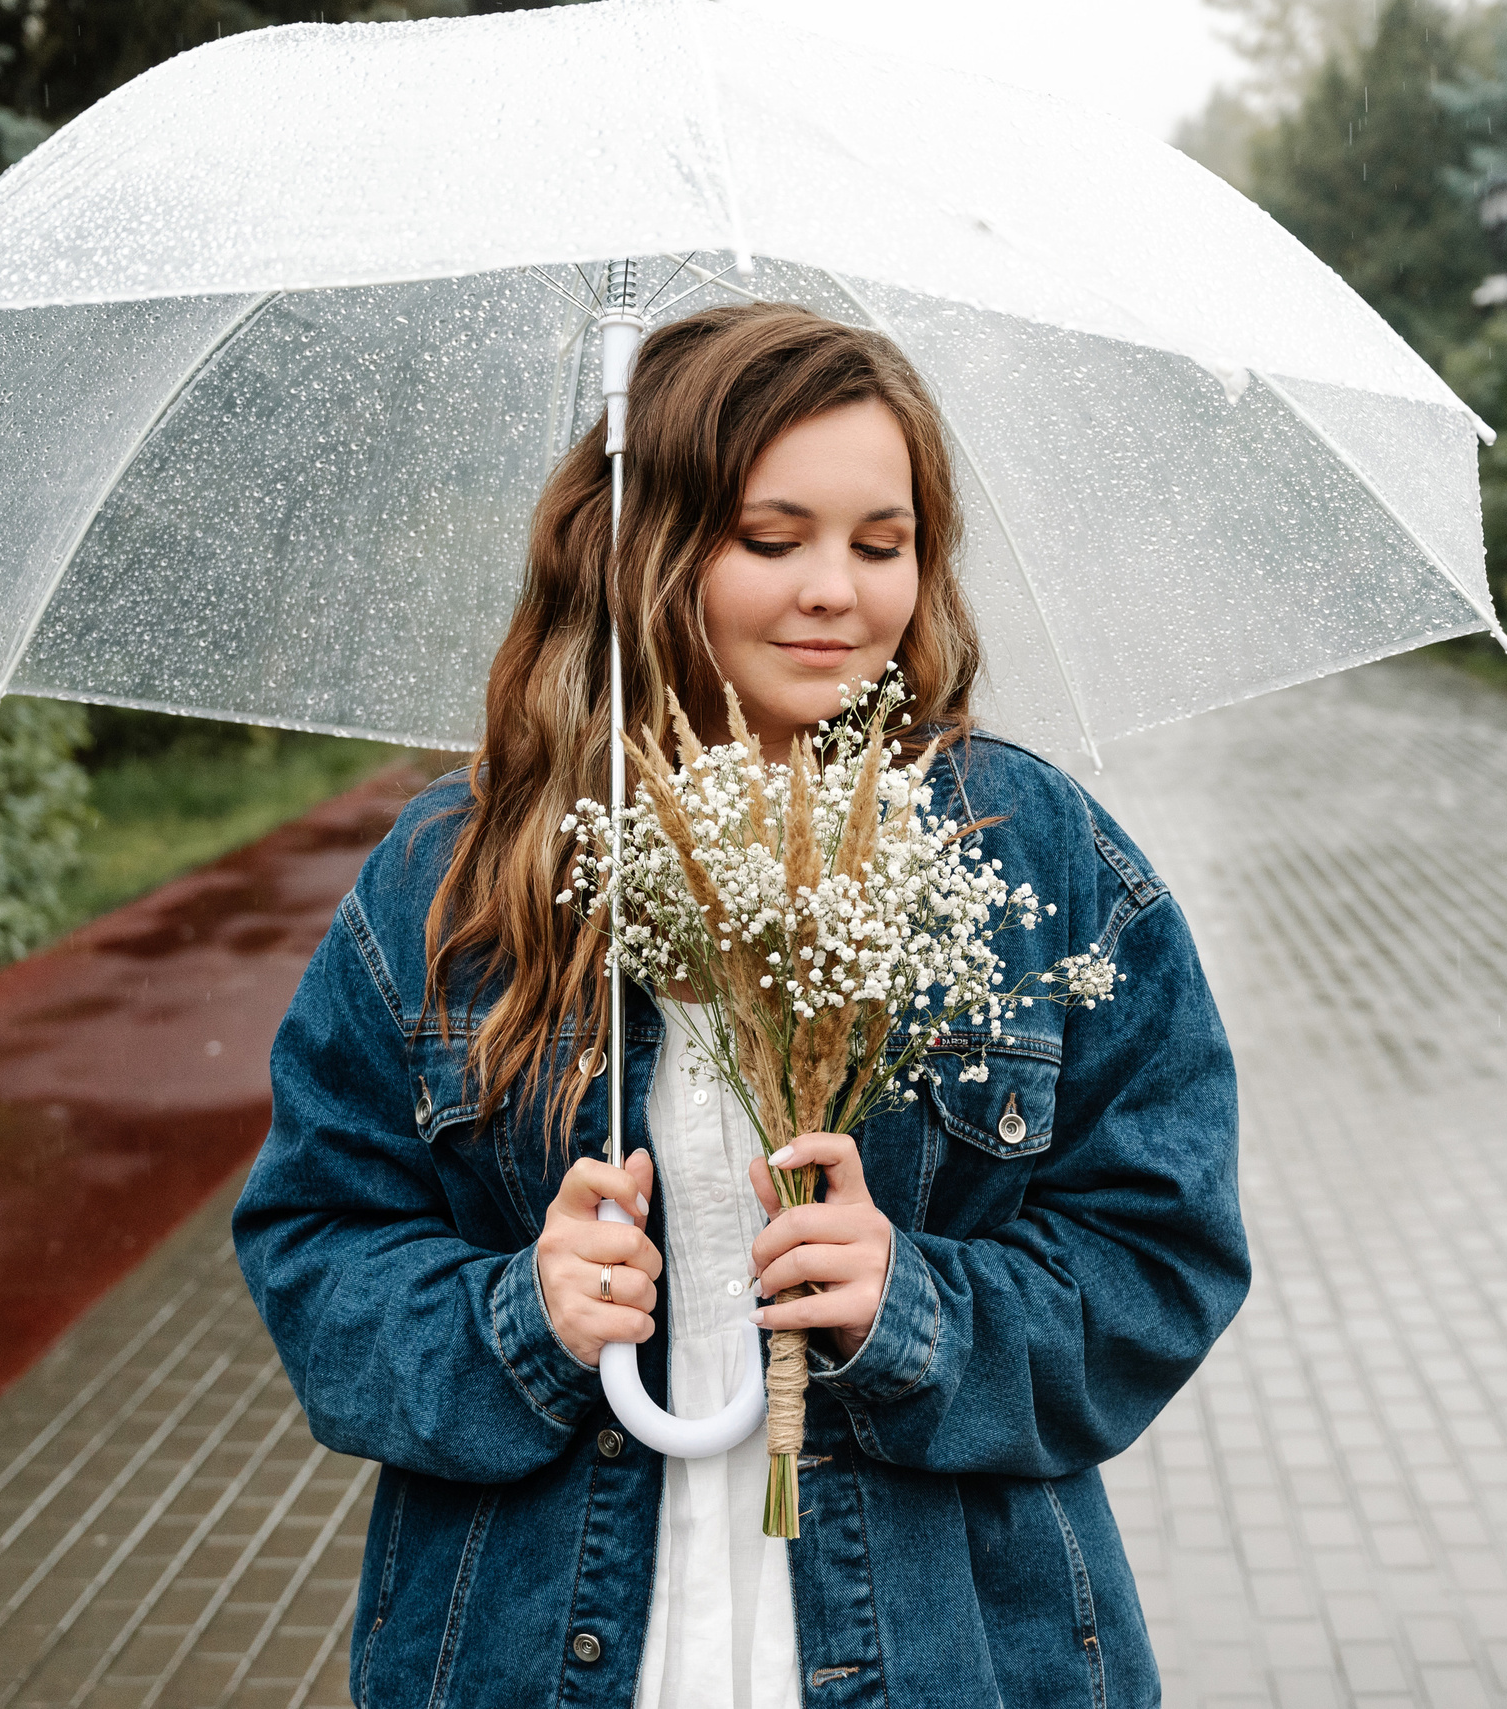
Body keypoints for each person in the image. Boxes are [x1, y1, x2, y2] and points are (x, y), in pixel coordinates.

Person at [233, 303, 1246, 1709]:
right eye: (774, 539)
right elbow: (313, 1247)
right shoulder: (453, 878)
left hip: (946, 1650)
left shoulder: (1039, 855)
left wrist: (922, 1304)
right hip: (543, 1652)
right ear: (648, 546)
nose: (838, 590)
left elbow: (1161, 1256)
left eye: (882, 544)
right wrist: (516, 1314)